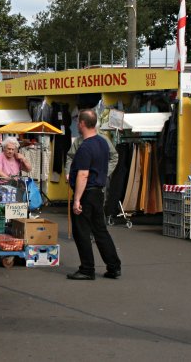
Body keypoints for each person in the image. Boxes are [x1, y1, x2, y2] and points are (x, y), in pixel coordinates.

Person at [67, 109, 122, 280]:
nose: (77, 124)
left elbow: (83, 174)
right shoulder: (102, 142)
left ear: (82, 124)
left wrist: (77, 200)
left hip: (87, 193)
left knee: (81, 231)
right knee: (100, 231)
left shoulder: (85, 147)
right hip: (98, 192)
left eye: (78, 122)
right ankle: (114, 266)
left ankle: (87, 269)